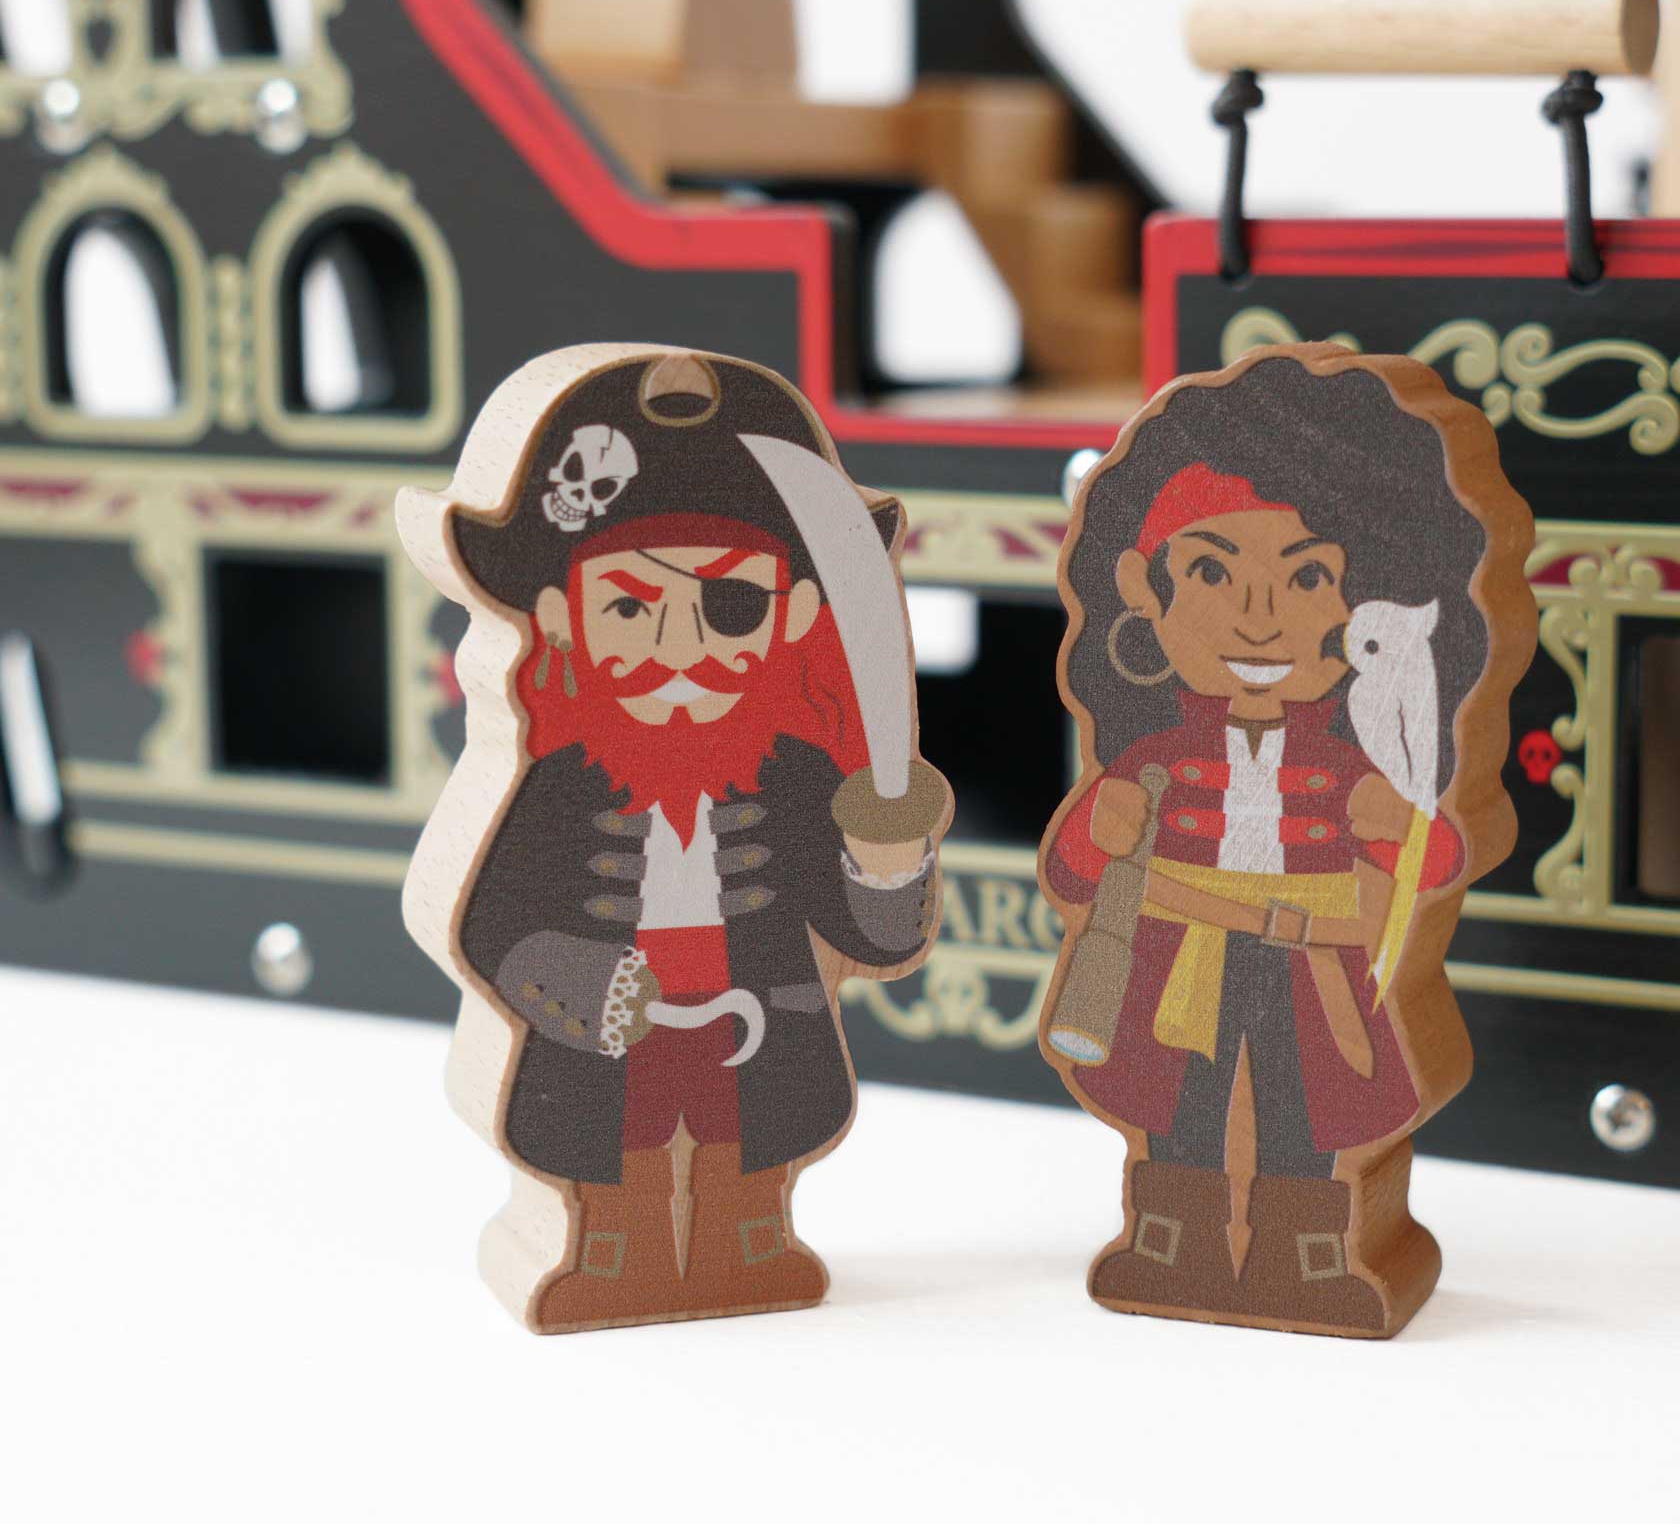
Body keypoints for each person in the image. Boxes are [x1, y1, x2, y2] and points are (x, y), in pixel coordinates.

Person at [403, 349, 947, 1330]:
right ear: (560, 616)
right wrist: (587, 984)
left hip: (763, 1015)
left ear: (795, 614)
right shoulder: (559, 783)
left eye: (731, 604)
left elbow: (870, 937)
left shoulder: (794, 778)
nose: (681, 645)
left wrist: (885, 863)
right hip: (606, 1028)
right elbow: (482, 920)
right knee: (616, 1159)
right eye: (631, 605)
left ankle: (751, 1247)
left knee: (747, 1162)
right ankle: (606, 1257)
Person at [1039, 346, 1527, 1335]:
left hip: (1317, 969)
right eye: (1211, 571)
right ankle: (1168, 1244)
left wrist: (1403, 828)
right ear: (1144, 588)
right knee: (1179, 1107)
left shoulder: (1350, 773)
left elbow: (1438, 862)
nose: (1258, 619)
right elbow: (1072, 871)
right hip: (1176, 954)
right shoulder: (1154, 762)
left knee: (1308, 1115)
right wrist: (1101, 828)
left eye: (1306, 577)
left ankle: (1310, 1260)